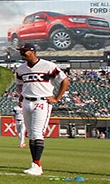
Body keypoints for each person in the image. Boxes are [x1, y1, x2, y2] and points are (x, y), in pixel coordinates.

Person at [14, 43, 69, 176]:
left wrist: (57, 98)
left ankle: (37, 165)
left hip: (42, 101)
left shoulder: (48, 65)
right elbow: (20, 84)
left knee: (37, 132)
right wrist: (21, 97)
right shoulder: (21, 69)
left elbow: (65, 80)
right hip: (27, 102)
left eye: (24, 51)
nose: (22, 53)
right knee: (31, 134)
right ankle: (35, 164)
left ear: (32, 52)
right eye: (21, 51)